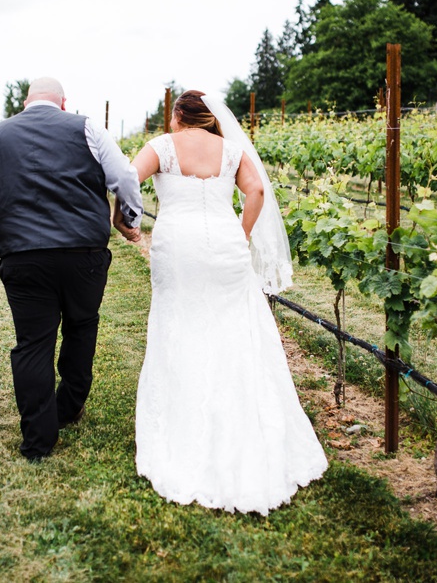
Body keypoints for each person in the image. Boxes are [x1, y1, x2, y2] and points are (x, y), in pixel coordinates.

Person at [116, 90, 327, 515]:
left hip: (178, 248)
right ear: (210, 118)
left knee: (179, 323)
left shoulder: (160, 147)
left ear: (178, 116)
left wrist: (122, 221)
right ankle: (244, 425)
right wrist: (242, 234)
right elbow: (257, 194)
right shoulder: (231, 150)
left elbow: (126, 181)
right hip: (226, 247)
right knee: (234, 329)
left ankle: (184, 426)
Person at [0, 77, 143, 462]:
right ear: (63, 103)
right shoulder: (86, 127)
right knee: (82, 325)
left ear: (27, 101)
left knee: (32, 343)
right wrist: (127, 217)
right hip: (83, 251)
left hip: (23, 255)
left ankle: (38, 442)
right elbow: (126, 177)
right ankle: (68, 406)